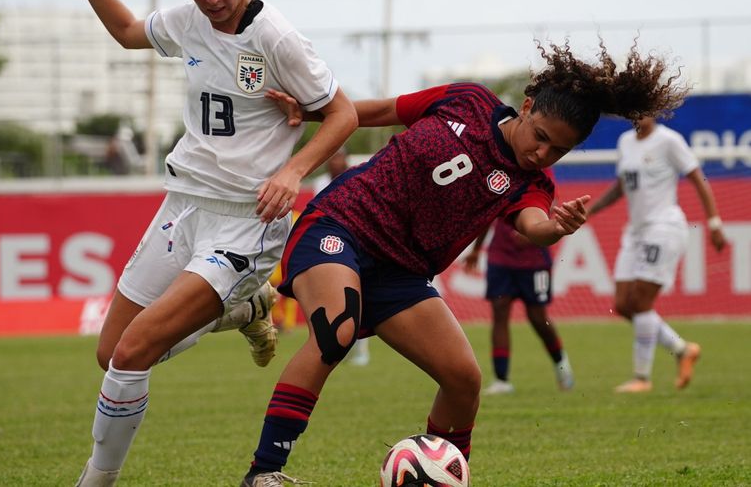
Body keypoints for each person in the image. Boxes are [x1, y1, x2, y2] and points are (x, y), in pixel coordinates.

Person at [239, 39, 686, 486]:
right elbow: (379, 111)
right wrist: (308, 112)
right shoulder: (467, 101)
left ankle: (443, 477)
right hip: (342, 224)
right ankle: (264, 472)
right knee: (337, 331)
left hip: (401, 271)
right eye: (541, 137)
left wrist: (556, 227)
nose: (542, 154)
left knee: (464, 379)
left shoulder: (531, 182)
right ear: (526, 108)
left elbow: (533, 224)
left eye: (558, 151)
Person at [63, 0, 357, 484]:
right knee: (112, 353)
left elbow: (341, 113)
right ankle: (245, 310)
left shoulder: (275, 37)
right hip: (183, 206)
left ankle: (95, 480)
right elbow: (126, 31)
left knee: (131, 355)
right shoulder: (188, 21)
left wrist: (294, 170)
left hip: (246, 222)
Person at [587, 115, 726, 393]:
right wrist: (590, 211)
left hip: (663, 227)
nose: (641, 114)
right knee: (623, 304)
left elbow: (698, 178)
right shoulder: (625, 142)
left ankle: (642, 378)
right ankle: (682, 349)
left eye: (646, 108)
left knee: (641, 301)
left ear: (655, 110)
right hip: (635, 232)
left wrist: (714, 223)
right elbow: (622, 186)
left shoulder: (669, 140)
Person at [463, 196, 574, 395]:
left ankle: (561, 363)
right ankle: (501, 380)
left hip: (535, 262)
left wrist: (534, 232)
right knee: (500, 313)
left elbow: (551, 210)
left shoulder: (540, 179)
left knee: (537, 317)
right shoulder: (500, 180)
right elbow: (488, 214)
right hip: (501, 258)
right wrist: (477, 249)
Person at [312, 147, 371, 366]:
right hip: (328, 245)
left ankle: (361, 350)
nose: (335, 161)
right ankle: (333, 349)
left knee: (357, 297)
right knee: (331, 300)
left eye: (339, 157)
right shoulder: (319, 183)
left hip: (356, 241)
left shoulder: (357, 175)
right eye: (332, 157)